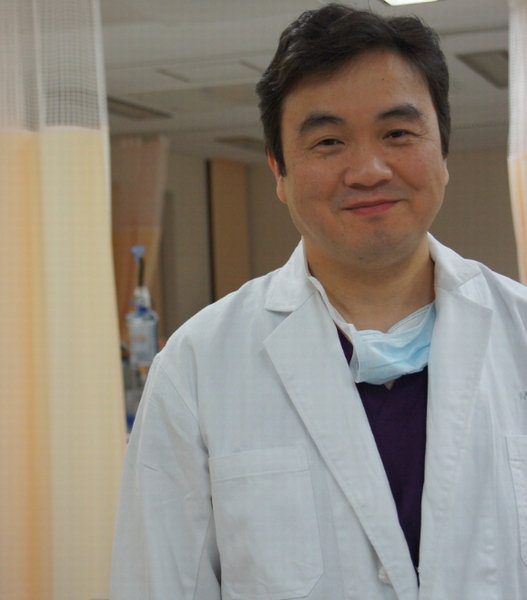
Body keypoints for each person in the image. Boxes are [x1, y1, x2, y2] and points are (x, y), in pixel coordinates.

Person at [110, 4, 527, 599]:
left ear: (443, 152)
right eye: (328, 141)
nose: (369, 170)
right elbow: (158, 583)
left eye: (397, 134)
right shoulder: (197, 366)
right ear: (279, 172)